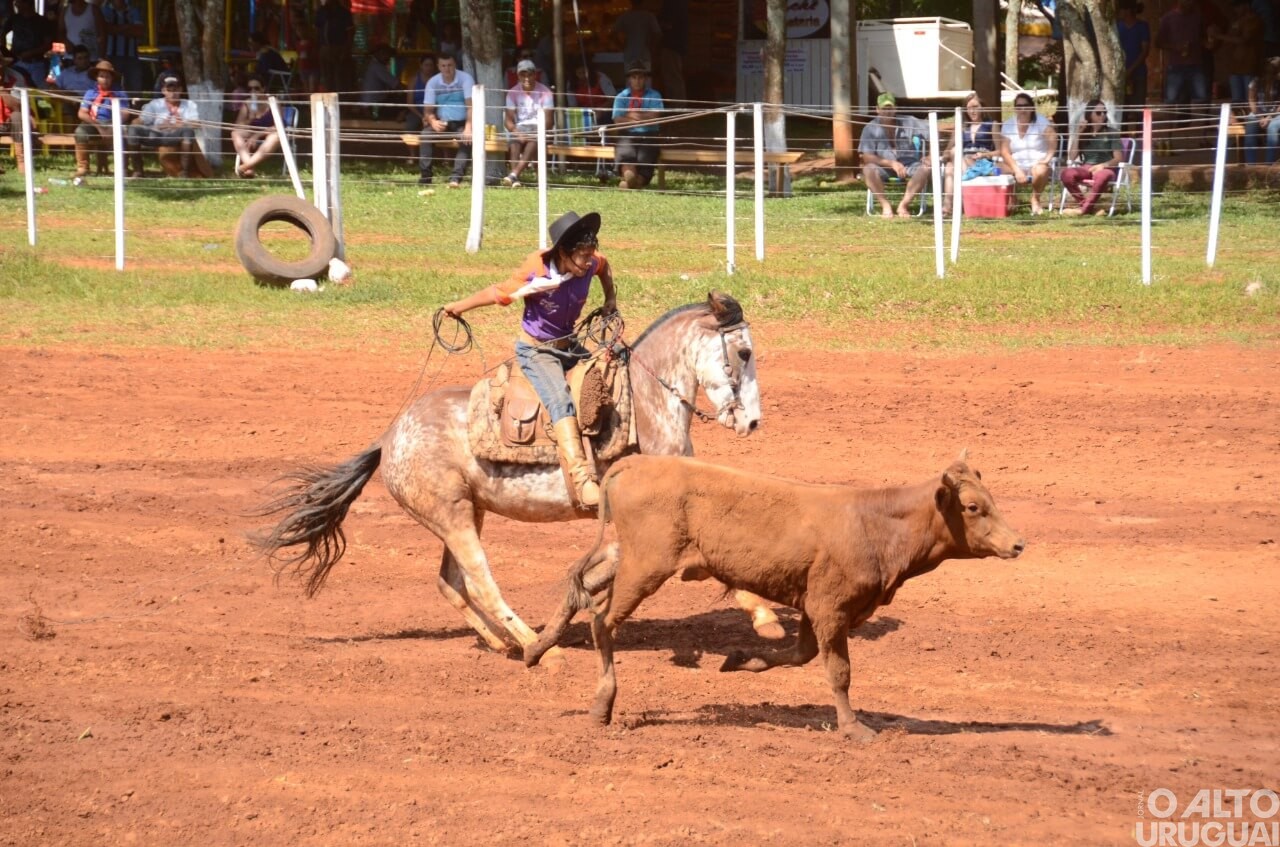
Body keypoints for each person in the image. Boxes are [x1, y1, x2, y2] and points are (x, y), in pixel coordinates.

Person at [441, 211, 616, 508]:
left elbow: (604, 266)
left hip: (568, 344)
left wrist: (610, 298)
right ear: (563, 252)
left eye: (590, 254)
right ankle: (582, 478)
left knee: (608, 374)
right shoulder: (536, 271)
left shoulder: (589, 265)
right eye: (583, 256)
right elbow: (498, 293)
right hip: (538, 350)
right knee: (560, 401)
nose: (589, 261)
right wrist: (459, 307)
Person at [858, 91, 930, 219]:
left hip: (910, 164)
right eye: (883, 109)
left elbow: (934, 133)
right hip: (884, 167)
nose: (887, 112)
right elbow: (866, 156)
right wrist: (891, 163)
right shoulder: (870, 128)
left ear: (895, 108)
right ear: (877, 110)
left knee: (925, 169)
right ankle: (885, 205)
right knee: (868, 168)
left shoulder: (910, 121)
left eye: (890, 108)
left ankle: (904, 205)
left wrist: (929, 156)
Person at [127, 71, 201, 178]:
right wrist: (153, 125)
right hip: (156, 135)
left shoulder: (189, 104)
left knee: (188, 131)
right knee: (133, 130)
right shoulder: (155, 104)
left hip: (176, 135)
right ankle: (138, 171)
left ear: (181, 90)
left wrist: (178, 125)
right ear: (163, 91)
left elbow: (196, 124)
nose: (172, 93)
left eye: (175, 90)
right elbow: (140, 121)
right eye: (169, 90)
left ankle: (184, 172)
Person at [1059, 99, 1125, 216]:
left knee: (1101, 175)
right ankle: (1089, 207)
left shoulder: (1112, 132)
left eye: (1104, 112)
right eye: (1098, 113)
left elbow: (1118, 158)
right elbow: (1072, 156)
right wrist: (1079, 133)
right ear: (1090, 114)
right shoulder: (1085, 133)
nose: (1103, 115)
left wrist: (1102, 165)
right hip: (1087, 167)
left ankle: (1083, 210)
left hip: (1106, 168)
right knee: (1066, 174)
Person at [418, 51, 474, 187]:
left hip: (462, 122)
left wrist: (468, 127)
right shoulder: (433, 82)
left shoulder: (466, 79)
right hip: (442, 121)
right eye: (443, 66)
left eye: (449, 65)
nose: (447, 69)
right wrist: (433, 121)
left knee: (466, 139)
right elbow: (428, 110)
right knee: (425, 135)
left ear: (455, 65)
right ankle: (426, 177)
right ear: (438, 66)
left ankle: (456, 178)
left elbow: (471, 107)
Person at [998, 92, 1056, 215]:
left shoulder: (1041, 121)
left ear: (1031, 107)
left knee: (1041, 170)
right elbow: (1004, 151)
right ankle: (1011, 198)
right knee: (995, 169)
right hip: (1016, 164)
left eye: (1025, 105)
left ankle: (1035, 198)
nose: (1022, 109)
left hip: (1037, 162)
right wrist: (1016, 170)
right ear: (1015, 108)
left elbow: (1053, 140)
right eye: (1019, 106)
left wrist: (1047, 159)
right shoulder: (1008, 124)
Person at [941, 92, 998, 216]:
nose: (972, 111)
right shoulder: (962, 127)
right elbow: (948, 149)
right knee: (950, 165)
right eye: (969, 108)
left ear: (982, 107)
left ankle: (952, 205)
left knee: (952, 164)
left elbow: (1000, 151)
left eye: (975, 107)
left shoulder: (991, 125)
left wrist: (983, 155)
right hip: (962, 160)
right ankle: (950, 204)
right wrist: (945, 155)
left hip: (982, 162)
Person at [73, 59, 128, 181]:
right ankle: (83, 167)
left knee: (124, 133)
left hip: (113, 122)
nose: (105, 79)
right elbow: (82, 113)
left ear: (112, 78)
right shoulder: (90, 93)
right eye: (102, 76)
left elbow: (125, 113)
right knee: (80, 132)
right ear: (97, 78)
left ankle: (122, 167)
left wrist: (113, 126)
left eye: (108, 77)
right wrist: (98, 126)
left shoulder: (120, 93)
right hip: (94, 122)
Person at [611, 61, 664, 189]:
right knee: (625, 153)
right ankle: (631, 178)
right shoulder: (621, 97)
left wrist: (630, 115)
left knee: (646, 156)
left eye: (640, 77)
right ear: (629, 79)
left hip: (649, 134)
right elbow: (617, 120)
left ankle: (632, 182)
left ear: (645, 79)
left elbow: (655, 117)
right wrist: (642, 117)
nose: (637, 81)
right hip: (627, 134)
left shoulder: (655, 95)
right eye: (634, 77)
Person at [501, 59, 553, 187]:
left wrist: (536, 132)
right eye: (523, 75)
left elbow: (549, 121)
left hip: (539, 127)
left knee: (534, 139)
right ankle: (516, 180)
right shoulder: (512, 92)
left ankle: (514, 174)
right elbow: (508, 121)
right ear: (518, 76)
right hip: (520, 127)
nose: (526, 78)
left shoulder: (545, 92)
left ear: (535, 75)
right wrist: (517, 133)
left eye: (529, 74)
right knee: (514, 142)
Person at [1210, 0, 1264, 106]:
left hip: (1249, 66)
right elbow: (1230, 37)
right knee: (1237, 101)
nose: (1236, 10)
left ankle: (1250, 122)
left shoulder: (1255, 21)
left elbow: (1243, 40)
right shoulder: (1237, 21)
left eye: (1238, 6)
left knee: (1250, 100)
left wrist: (1219, 36)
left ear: (1246, 5)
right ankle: (1239, 121)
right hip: (1235, 67)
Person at [1157, 0, 1209, 106]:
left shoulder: (1198, 18)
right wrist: (1175, 47)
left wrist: (1209, 42)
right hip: (1176, 65)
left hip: (1195, 64)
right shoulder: (1168, 18)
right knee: (1170, 100)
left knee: (1201, 99)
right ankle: (1170, 122)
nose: (1190, 3)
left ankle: (1201, 121)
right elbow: (1158, 42)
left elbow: (1204, 38)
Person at [231, 74, 280, 178]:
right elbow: (238, 126)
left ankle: (245, 166)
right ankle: (250, 167)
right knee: (235, 133)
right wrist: (250, 118)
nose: (253, 91)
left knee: (275, 137)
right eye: (250, 89)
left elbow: (278, 126)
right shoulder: (247, 104)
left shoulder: (273, 102)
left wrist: (257, 135)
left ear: (263, 88)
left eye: (256, 88)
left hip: (270, 131)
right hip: (252, 130)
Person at [2, 0, 54, 87]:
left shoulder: (42, 21)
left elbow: (48, 44)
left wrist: (31, 53)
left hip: (37, 64)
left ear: (27, 3)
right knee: (16, 90)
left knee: (37, 92)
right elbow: (2, 34)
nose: (16, 4)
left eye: (18, 2)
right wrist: (6, 52)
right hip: (17, 62)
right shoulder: (14, 19)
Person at [1117, 0, 1151, 125]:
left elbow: (1145, 51)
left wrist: (1130, 70)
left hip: (1138, 72)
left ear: (1128, 10)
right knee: (1122, 107)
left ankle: (1139, 135)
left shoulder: (1142, 26)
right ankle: (1123, 137)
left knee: (1138, 106)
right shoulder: (1117, 26)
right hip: (1121, 73)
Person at [100, 0, 143, 95]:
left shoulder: (134, 10)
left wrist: (116, 28)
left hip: (131, 56)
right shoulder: (105, 10)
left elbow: (139, 31)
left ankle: (133, 108)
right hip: (111, 55)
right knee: (112, 86)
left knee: (134, 88)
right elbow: (106, 29)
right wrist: (128, 27)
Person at [1243, 56, 1280, 163]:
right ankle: (1251, 165)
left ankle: (1268, 165)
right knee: (1250, 123)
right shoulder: (1255, 81)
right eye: (1267, 70)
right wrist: (1260, 116)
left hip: (1276, 113)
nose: (1268, 74)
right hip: (1259, 112)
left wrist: (1268, 117)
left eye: (1272, 71)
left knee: (1272, 127)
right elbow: (1251, 99)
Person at [612, 0, 662, 74]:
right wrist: (652, 48)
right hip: (644, 53)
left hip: (629, 54)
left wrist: (621, 46)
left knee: (630, 81)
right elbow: (658, 34)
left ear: (631, 2)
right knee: (645, 81)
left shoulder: (625, 16)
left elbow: (613, 33)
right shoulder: (649, 16)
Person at [314, 0, 354, 93]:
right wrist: (318, 48)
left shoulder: (343, 12)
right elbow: (316, 31)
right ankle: (329, 99)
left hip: (339, 49)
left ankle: (341, 102)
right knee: (327, 78)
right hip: (324, 48)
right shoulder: (321, 11)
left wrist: (346, 50)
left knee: (340, 78)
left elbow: (350, 32)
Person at [658, 0, 688, 103]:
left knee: (672, 76)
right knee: (672, 76)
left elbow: (668, 24)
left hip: (671, 45)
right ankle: (675, 104)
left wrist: (660, 25)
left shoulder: (673, 4)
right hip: (676, 45)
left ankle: (678, 105)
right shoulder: (680, 4)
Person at [359, 42, 400, 118]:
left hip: (368, 104)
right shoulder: (377, 67)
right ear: (379, 54)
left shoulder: (371, 65)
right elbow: (396, 85)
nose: (388, 58)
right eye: (386, 54)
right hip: (373, 106)